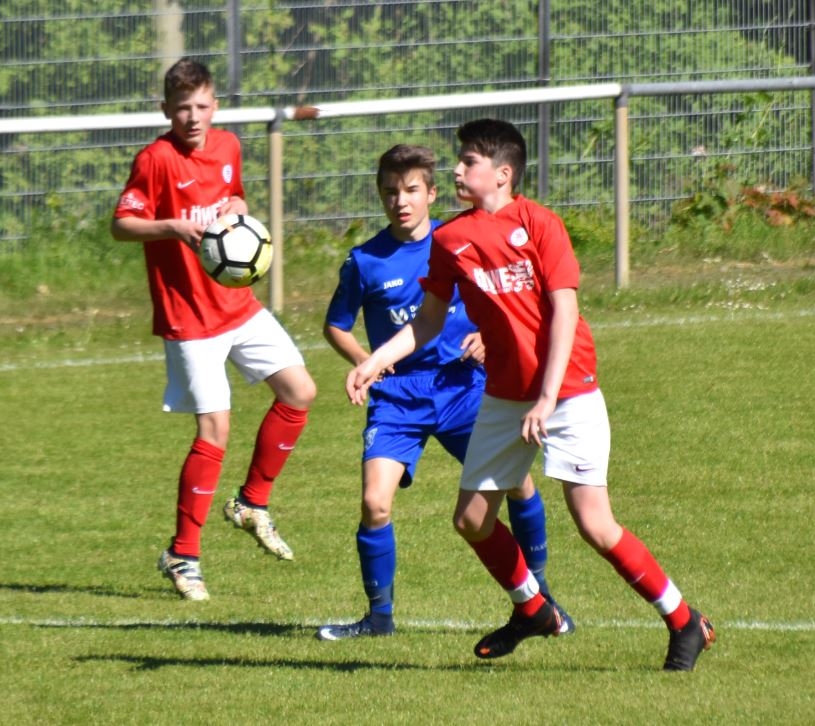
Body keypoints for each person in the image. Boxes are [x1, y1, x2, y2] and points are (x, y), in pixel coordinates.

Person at [346, 120, 715, 671]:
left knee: (595, 525)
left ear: (502, 173)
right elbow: (427, 320)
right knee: (471, 520)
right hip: (505, 395)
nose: (456, 170)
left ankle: (685, 622)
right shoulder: (449, 240)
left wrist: (546, 398)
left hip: (567, 390)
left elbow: (565, 312)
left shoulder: (541, 224)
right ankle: (533, 609)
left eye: (468, 161)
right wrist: (375, 360)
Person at [317, 144, 572, 640]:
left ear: (432, 193)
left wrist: (487, 336)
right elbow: (336, 325)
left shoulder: (459, 238)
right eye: (390, 192)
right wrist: (367, 363)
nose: (400, 201)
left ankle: (540, 597)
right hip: (398, 396)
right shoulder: (364, 260)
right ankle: (379, 618)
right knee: (374, 503)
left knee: (518, 483)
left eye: (411, 190)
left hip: (463, 387)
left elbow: (502, 296)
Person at [111, 58, 316, 601]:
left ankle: (251, 503)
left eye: (201, 106)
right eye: (182, 108)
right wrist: (172, 226)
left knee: (299, 391)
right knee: (214, 431)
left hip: (238, 305)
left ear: (214, 105)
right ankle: (183, 554)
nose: (193, 117)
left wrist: (235, 211)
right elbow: (121, 224)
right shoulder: (155, 159)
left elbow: (238, 198)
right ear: (166, 110)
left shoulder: (227, 146)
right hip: (190, 318)